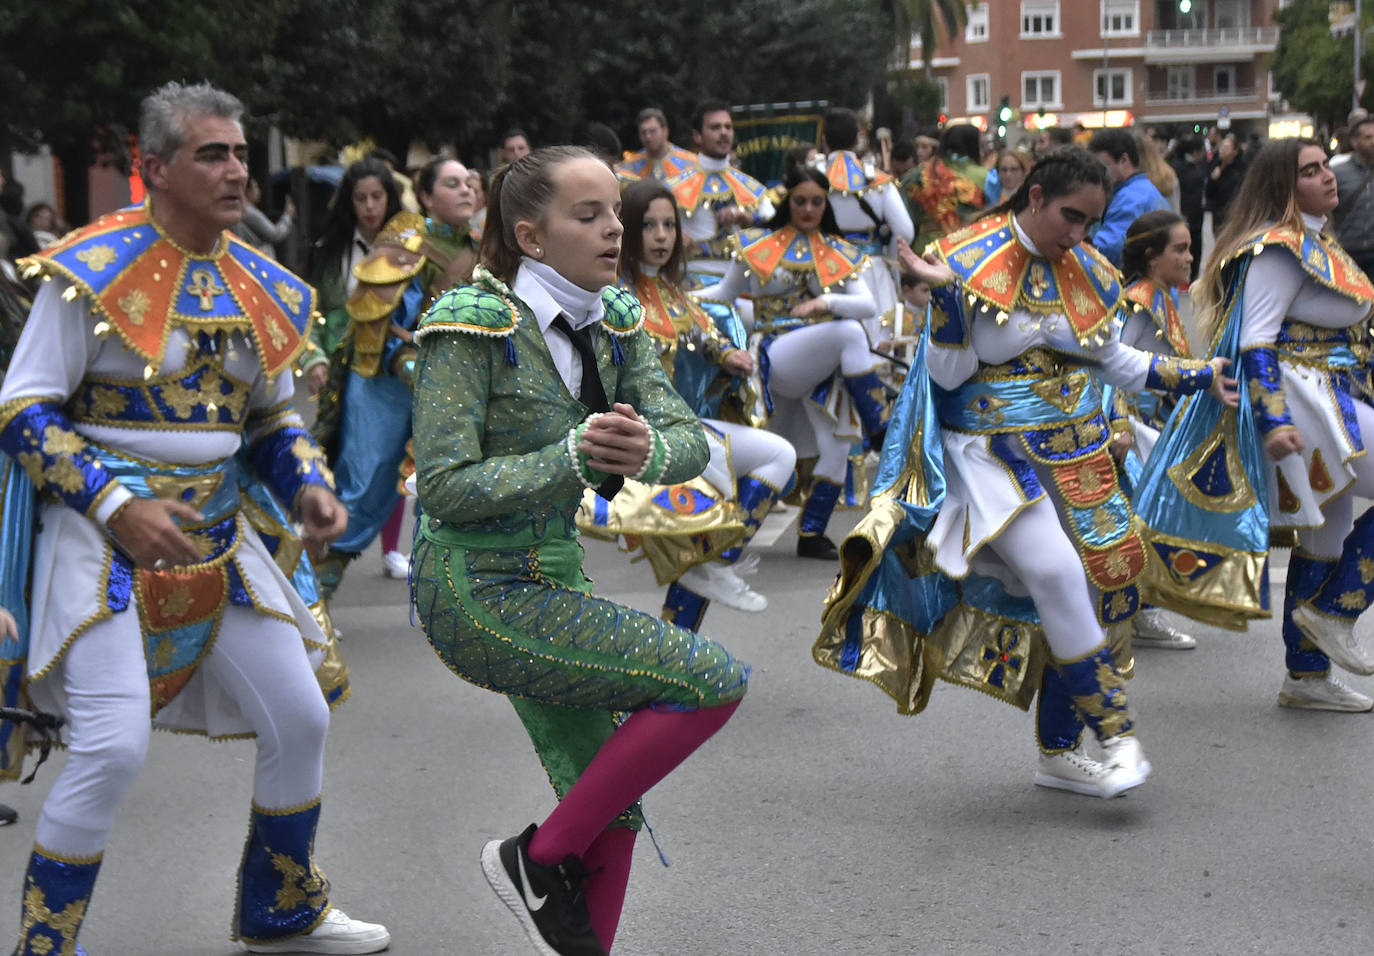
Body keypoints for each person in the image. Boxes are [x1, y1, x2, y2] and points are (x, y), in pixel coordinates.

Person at [0, 81, 387, 955]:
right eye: (212, 153)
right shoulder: (85, 274)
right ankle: (45, 945)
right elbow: (22, 408)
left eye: (241, 152)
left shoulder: (266, 286)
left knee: (301, 716)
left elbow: (271, 423)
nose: (236, 170)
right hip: (97, 540)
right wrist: (117, 503)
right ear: (153, 169)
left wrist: (308, 490)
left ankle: (280, 910)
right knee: (110, 745)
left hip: (220, 537)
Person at [814, 148, 1236, 799]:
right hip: (989, 459)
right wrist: (948, 299)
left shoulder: (1088, 269)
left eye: (1091, 222)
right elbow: (947, 376)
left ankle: (1060, 753)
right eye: (1070, 216)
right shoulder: (963, 257)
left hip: (1077, 452)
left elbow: (1116, 363)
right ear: (1034, 196)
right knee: (1054, 573)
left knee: (1095, 585)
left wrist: (1201, 376)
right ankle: (1119, 737)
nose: (1078, 234)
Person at [408, 146, 748, 956]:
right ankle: (537, 858)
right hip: (473, 585)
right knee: (711, 681)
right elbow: (444, 488)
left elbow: (685, 439)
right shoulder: (470, 322)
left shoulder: (619, 317)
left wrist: (645, 455)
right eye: (587, 215)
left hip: (552, 573)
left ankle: (554, 884)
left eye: (616, 214)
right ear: (530, 236)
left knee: (612, 801)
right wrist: (569, 458)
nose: (614, 230)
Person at [1135, 139, 1374, 713]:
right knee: (1329, 527)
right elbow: (1254, 340)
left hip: (1335, 394)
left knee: (1327, 532)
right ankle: (1336, 610)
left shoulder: (1316, 243)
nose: (1326, 178)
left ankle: (1307, 676)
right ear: (1281, 186)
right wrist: (1274, 421)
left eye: (1324, 167)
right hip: (1307, 403)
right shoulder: (1277, 248)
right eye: (1309, 171)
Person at [583, 178, 796, 626]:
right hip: (641, 436)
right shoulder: (608, 297)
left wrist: (728, 356)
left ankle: (714, 564)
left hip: (687, 428)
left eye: (669, 225)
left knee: (780, 455)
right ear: (625, 230)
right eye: (648, 225)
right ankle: (705, 569)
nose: (661, 236)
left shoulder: (675, 292)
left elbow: (704, 331)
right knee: (709, 483)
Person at [313, 155, 480, 595]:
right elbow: (375, 328)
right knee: (365, 488)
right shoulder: (402, 244)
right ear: (425, 196)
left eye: (468, 182)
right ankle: (311, 597)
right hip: (385, 388)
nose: (465, 190)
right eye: (451, 183)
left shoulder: (485, 249)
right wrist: (410, 363)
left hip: (457, 391)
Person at [699, 166, 881, 559]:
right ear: (788, 202)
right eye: (800, 201)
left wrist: (825, 301)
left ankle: (811, 534)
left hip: (821, 363)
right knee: (850, 333)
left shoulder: (837, 251)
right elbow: (725, 294)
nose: (809, 209)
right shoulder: (758, 244)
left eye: (818, 201)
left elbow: (870, 303)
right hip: (776, 353)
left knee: (834, 445)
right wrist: (680, 300)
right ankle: (880, 424)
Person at [1113, 210, 1201, 650]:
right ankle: (1137, 615)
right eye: (1179, 249)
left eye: (1188, 247)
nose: (1189, 257)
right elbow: (1111, 364)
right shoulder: (1140, 299)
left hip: (1157, 426)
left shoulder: (1160, 296)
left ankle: (1138, 612)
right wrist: (1119, 426)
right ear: (1151, 256)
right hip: (1138, 430)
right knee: (1142, 523)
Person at [300, 158, 404, 394]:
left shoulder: (410, 247)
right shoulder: (328, 252)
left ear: (389, 197)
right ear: (350, 201)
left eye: (377, 196)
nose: (369, 206)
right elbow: (310, 311)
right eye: (361, 198)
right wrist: (313, 358)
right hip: (343, 372)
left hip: (398, 372)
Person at [820, 107, 915, 345]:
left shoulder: (812, 180)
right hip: (873, 270)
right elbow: (905, 232)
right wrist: (887, 256)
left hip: (825, 270)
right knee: (878, 343)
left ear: (824, 141)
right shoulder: (878, 180)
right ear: (857, 139)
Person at [668, 99, 774, 279]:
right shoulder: (673, 188)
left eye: (728, 127)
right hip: (690, 281)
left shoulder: (751, 188)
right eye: (715, 127)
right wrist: (674, 238)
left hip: (741, 283)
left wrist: (748, 218)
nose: (724, 133)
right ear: (697, 136)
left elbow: (777, 228)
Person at [1088, 128, 1169, 267]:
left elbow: (1109, 248)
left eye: (1101, 166)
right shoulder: (1144, 189)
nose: (1096, 174)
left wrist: (1077, 249)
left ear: (1124, 160)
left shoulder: (1131, 199)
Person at [906, 123, 987, 252]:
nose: (919, 151)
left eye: (924, 147)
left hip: (925, 250)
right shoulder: (986, 177)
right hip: (967, 250)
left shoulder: (916, 175)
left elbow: (906, 218)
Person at [1333, 116, 1374, 277]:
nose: (1373, 142)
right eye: (1368, 137)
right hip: (1346, 252)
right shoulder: (1337, 173)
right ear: (1354, 142)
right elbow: (1325, 212)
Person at [614, 108, 698, 183]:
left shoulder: (691, 162)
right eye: (643, 132)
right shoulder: (629, 166)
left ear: (665, 131)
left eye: (652, 131)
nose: (648, 137)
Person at [1170, 134, 1208, 282]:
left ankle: (1189, 276)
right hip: (1188, 214)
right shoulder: (1185, 168)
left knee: (1190, 246)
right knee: (1189, 246)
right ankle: (1188, 276)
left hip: (1192, 214)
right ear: (1195, 151)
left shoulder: (1179, 165)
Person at [230, 177, 295, 257]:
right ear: (247, 190)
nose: (259, 191)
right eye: (256, 187)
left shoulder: (241, 208)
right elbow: (275, 234)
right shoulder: (247, 211)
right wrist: (287, 216)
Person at [1206, 133, 1246, 236]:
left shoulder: (1241, 169)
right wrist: (1213, 180)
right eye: (1221, 147)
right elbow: (1208, 192)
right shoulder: (1215, 165)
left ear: (1235, 151)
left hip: (1235, 215)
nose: (1222, 150)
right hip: (1218, 215)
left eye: (1227, 147)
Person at [468, 166, 490, 236]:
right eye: (466, 191)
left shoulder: (490, 221)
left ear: (485, 195)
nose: (469, 196)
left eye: (475, 192)